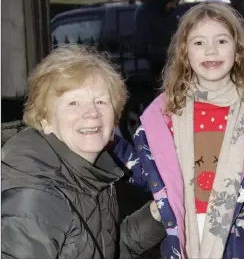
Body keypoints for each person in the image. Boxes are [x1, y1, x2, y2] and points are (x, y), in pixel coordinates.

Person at [113, 2, 244, 259]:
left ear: (237, 50)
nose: (210, 50)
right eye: (199, 43)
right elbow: (151, 174)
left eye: (221, 41)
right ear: (184, 53)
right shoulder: (165, 115)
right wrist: (108, 143)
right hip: (185, 243)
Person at [1, 45, 166, 259]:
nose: (91, 113)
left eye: (100, 101)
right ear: (45, 120)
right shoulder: (37, 196)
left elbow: (102, 250)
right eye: (73, 103)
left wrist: (155, 214)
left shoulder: (90, 171)